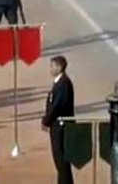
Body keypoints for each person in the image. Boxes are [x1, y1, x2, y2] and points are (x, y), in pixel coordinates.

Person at [41, 56, 75, 184]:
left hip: (61, 127)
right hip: (57, 126)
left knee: (62, 162)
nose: (50, 69)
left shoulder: (64, 83)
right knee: (60, 163)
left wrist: (46, 121)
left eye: (52, 66)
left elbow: (57, 106)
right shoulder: (59, 82)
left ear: (59, 67)